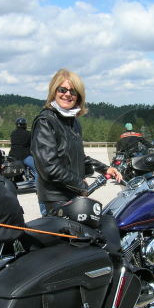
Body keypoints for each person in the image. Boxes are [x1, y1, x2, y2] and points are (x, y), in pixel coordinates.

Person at [31, 68, 122, 216]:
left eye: (73, 91)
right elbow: (49, 168)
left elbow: (79, 157)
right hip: (55, 199)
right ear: (54, 91)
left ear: (79, 97)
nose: (67, 94)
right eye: (62, 89)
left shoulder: (73, 122)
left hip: (73, 195)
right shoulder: (46, 121)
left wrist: (105, 169)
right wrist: (80, 184)